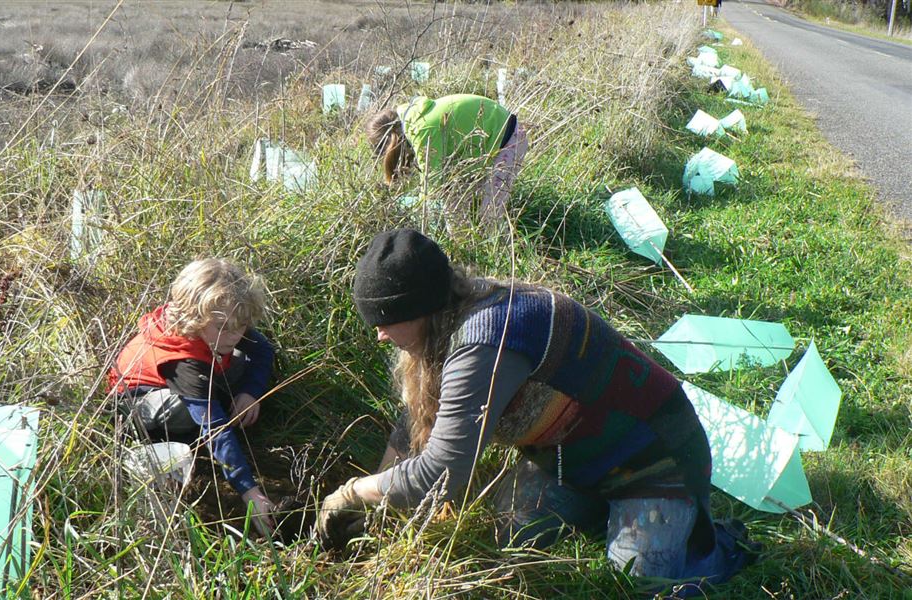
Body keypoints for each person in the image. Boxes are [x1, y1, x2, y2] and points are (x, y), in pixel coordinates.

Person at [316, 229, 756, 595]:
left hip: (655, 461)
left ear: (420, 309)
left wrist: (351, 493)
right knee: (508, 539)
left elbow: (441, 475)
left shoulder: (487, 339)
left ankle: (718, 546)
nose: (378, 335)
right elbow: (415, 427)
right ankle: (608, 516)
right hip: (569, 465)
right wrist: (377, 511)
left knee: (638, 585)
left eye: (385, 320)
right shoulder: (450, 318)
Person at [109, 258, 277, 533]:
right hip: (140, 400)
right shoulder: (183, 360)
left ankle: (213, 402)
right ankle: (175, 443)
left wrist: (250, 393)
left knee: (241, 363)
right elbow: (214, 429)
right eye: (223, 326)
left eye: (241, 325)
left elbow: (263, 351)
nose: (234, 335)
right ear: (194, 317)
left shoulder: (223, 324)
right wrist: (249, 492)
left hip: (199, 379)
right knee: (189, 413)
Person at [364, 94, 528, 225]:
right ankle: (462, 255)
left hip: (508, 141)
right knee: (457, 206)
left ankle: (503, 255)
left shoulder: (423, 130)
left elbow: (431, 188)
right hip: (487, 147)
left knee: (489, 215)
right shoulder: (413, 119)